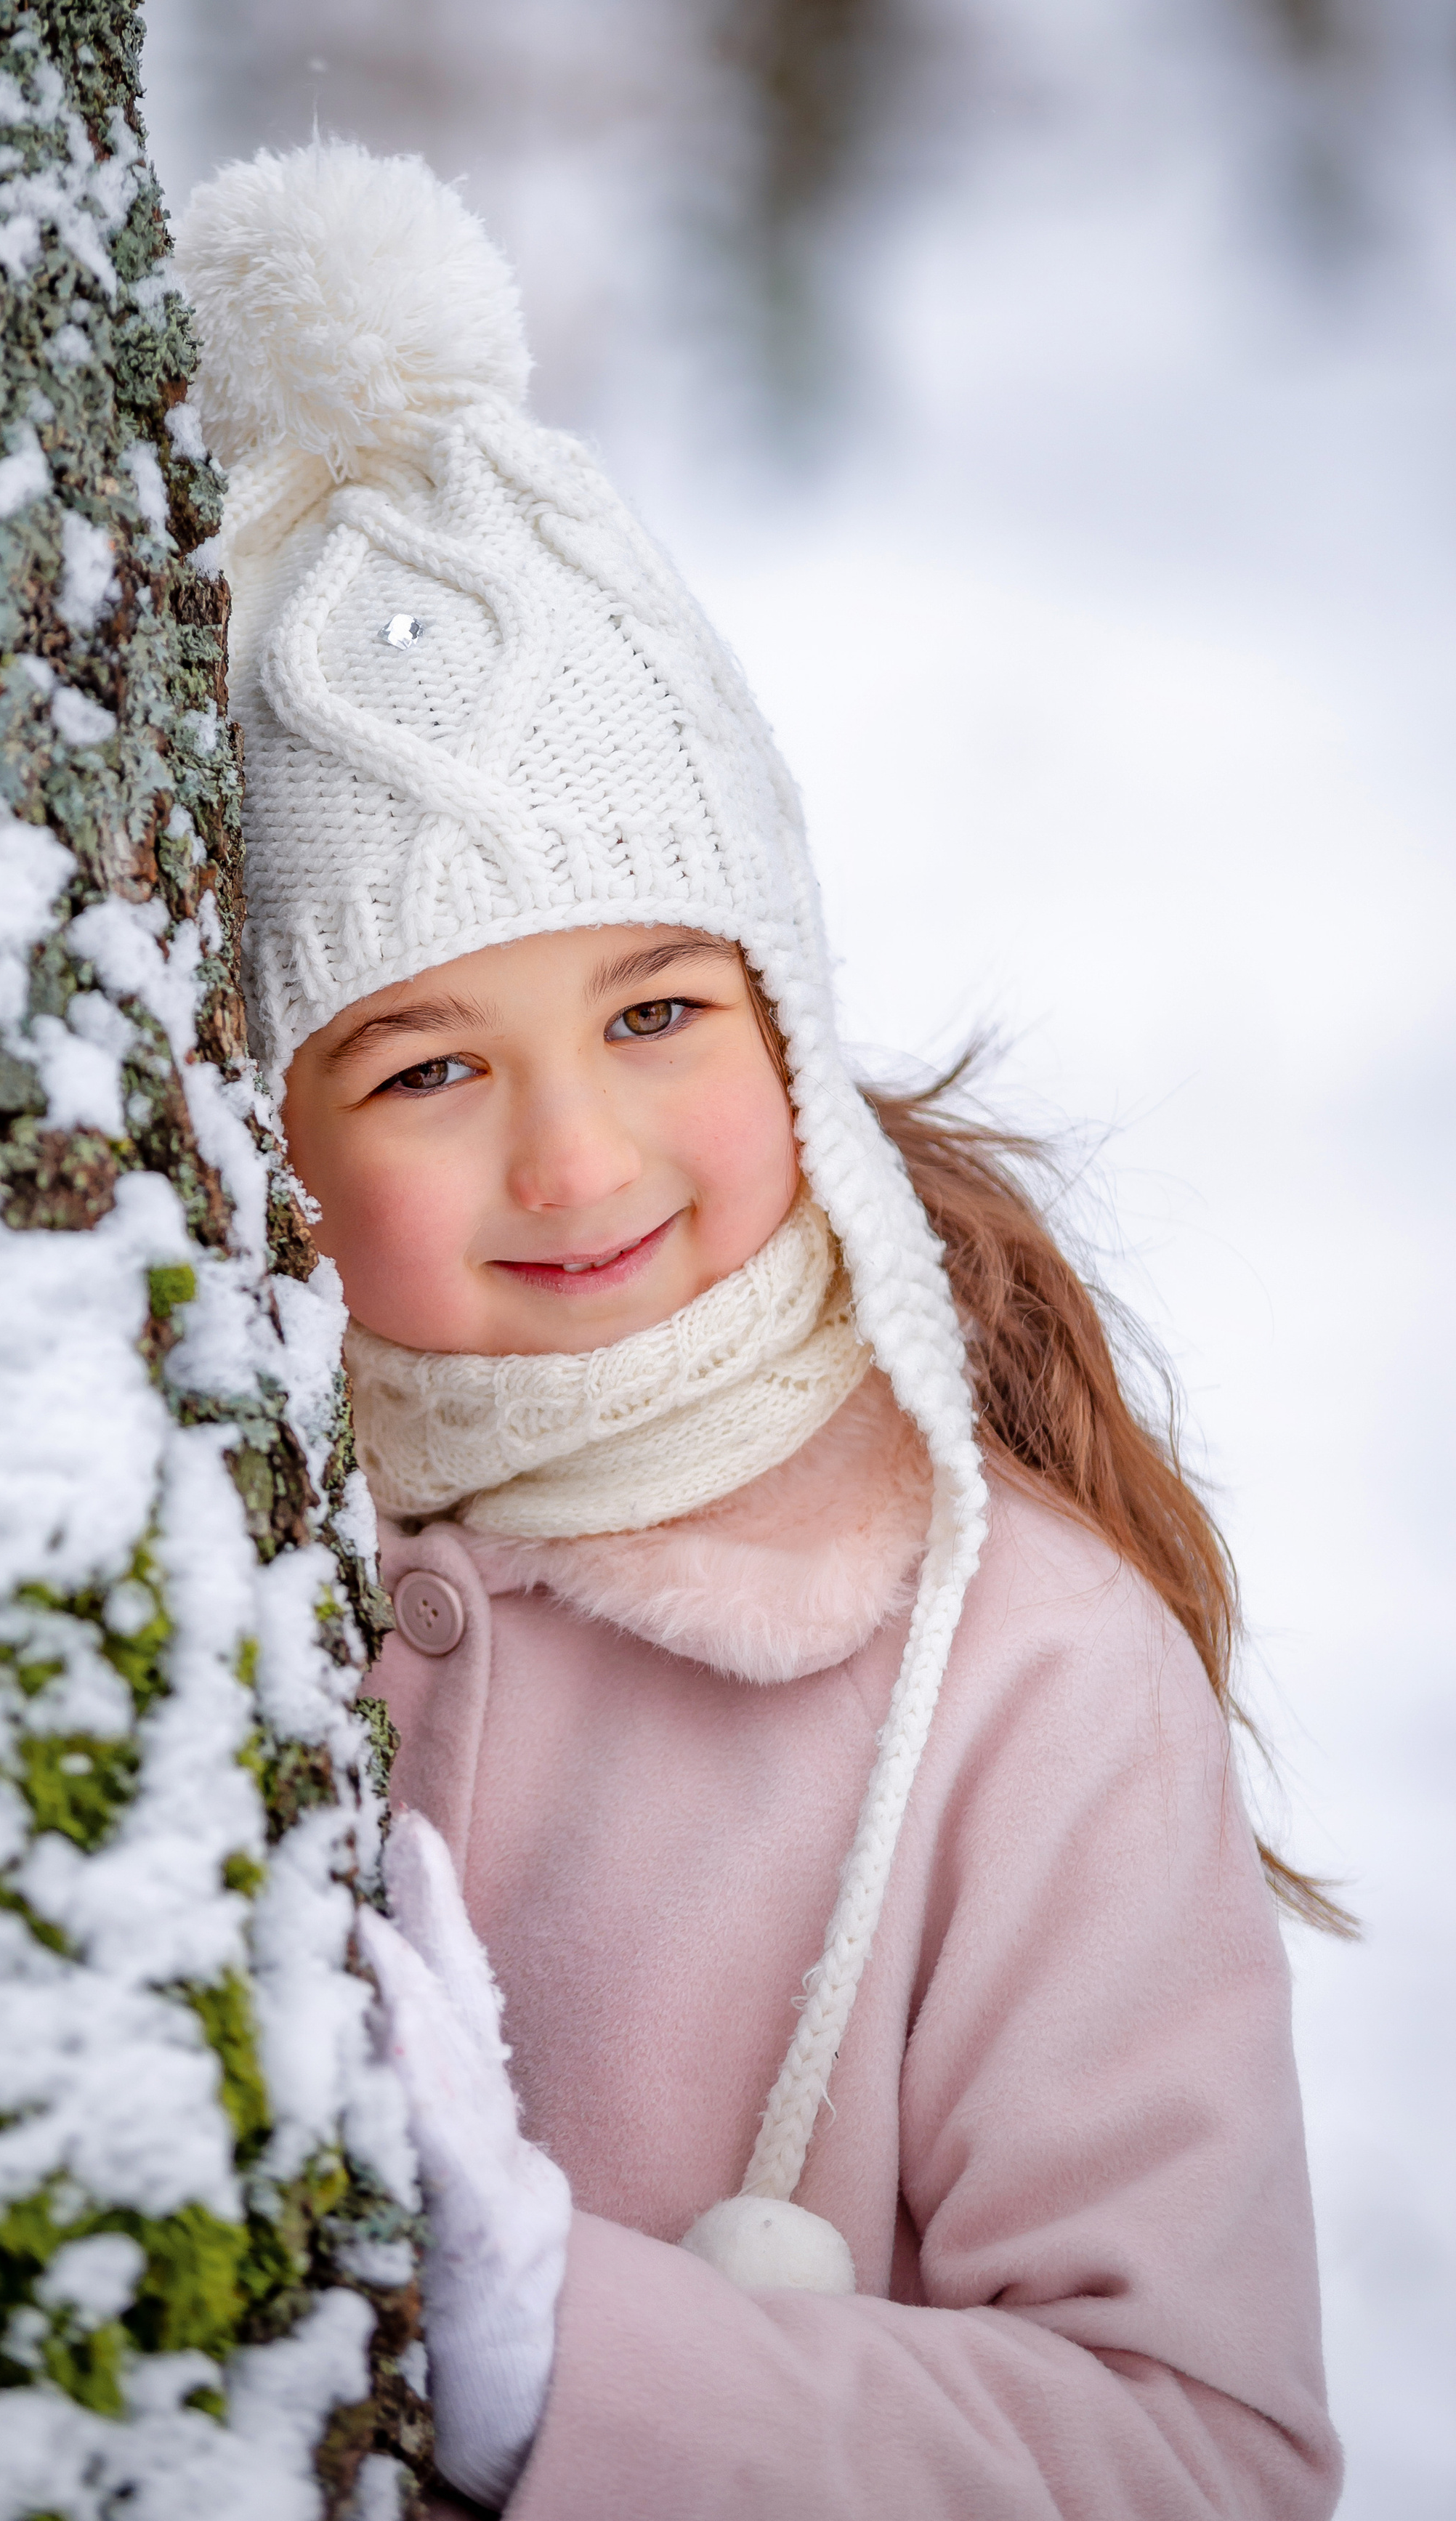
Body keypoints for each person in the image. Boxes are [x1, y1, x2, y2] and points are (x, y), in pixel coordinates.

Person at [178, 140, 1344, 2519]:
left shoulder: (1020, 1666)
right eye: (423, 1067)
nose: (579, 1163)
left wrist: (570, 2353)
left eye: (655, 1012)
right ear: (262, 1130)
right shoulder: (205, 1562)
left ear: (785, 1013)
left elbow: (1209, 2459)